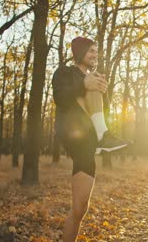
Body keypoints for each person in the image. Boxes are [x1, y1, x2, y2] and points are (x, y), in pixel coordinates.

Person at [52, 36, 130, 242]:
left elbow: (100, 109)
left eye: (96, 51)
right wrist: (85, 83)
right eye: (91, 51)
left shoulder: (93, 78)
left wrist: (101, 91)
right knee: (94, 81)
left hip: (87, 141)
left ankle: (102, 135)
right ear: (79, 51)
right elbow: (59, 98)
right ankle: (104, 135)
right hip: (71, 129)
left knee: (79, 210)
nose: (95, 55)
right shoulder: (65, 72)